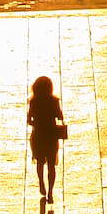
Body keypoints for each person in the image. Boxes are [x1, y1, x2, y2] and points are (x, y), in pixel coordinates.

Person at [28, 74, 66, 204]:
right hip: (51, 135)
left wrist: (38, 123)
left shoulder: (34, 101)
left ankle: (41, 183)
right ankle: (50, 191)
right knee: (51, 165)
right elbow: (60, 116)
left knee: (39, 162)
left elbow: (29, 120)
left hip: (38, 135)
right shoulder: (54, 101)